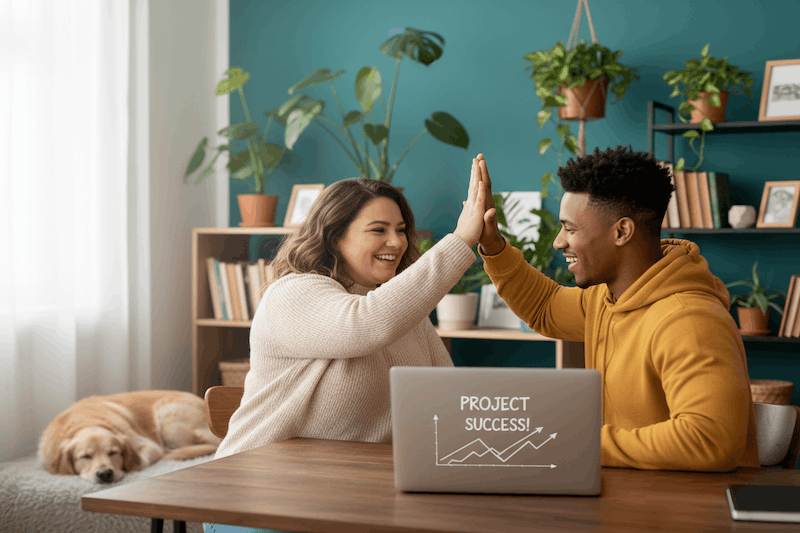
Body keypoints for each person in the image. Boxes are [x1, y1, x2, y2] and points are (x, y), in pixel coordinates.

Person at [474, 146, 759, 472]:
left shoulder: (690, 321)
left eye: (570, 229)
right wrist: (492, 244)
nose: (558, 242)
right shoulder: (605, 299)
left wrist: (577, 441)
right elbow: (544, 306)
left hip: (689, 511)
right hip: (628, 498)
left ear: (622, 232)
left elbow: (710, 440)